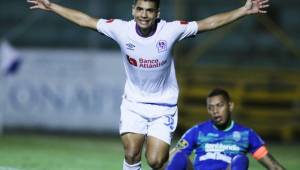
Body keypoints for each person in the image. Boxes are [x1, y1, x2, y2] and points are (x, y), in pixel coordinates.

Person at [27, 0, 269, 169]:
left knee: (155, 161)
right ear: (133, 10)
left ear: (157, 14)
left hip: (163, 106)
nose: (144, 14)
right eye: (140, 9)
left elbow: (208, 23)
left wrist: (243, 10)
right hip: (133, 103)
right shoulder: (120, 29)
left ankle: (184, 166)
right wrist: (52, 6)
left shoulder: (171, 30)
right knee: (131, 153)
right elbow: (86, 20)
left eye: (149, 11)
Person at [166, 88, 285, 170]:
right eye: (211, 107)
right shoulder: (197, 131)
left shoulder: (246, 134)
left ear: (230, 106)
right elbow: (172, 157)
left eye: (220, 105)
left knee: (240, 160)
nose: (215, 111)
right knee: (179, 156)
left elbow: (273, 166)